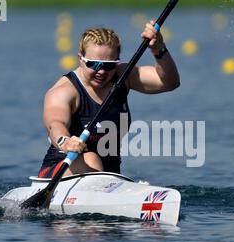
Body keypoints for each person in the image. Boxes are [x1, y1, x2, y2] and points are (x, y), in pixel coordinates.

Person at [38, 21, 180, 178]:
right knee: (91, 157)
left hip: (108, 179)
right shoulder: (65, 91)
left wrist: (158, 49)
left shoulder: (123, 77)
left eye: (109, 65)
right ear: (80, 58)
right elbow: (55, 124)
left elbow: (169, 83)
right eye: (94, 64)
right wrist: (65, 141)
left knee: (99, 166)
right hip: (58, 174)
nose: (101, 71)